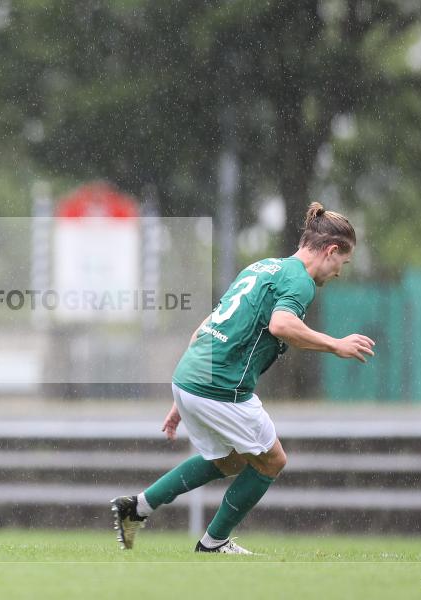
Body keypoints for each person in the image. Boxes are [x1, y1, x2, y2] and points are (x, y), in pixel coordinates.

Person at [111, 202, 375, 554]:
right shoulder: (301, 282)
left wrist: (182, 398)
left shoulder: (262, 268)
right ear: (330, 251)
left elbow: (205, 327)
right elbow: (281, 324)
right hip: (221, 388)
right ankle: (214, 543)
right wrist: (335, 344)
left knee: (231, 460)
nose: (340, 271)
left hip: (191, 376)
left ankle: (137, 507)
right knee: (273, 460)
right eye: (344, 261)